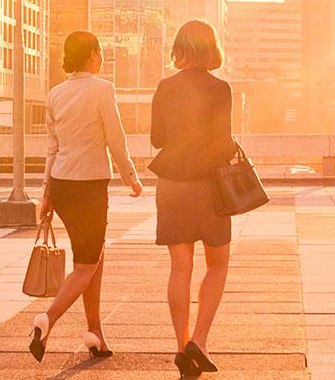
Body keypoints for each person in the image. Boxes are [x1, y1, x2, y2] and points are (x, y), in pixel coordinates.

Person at [28, 31, 144, 362]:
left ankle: (95, 333)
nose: (103, 56)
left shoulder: (56, 94)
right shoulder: (102, 89)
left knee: (92, 256)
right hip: (90, 186)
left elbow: (53, 147)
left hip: (63, 185)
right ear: (93, 54)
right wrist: (131, 177)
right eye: (101, 51)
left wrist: (47, 192)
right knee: (86, 264)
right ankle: (45, 321)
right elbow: (115, 138)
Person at [148, 20, 236, 377]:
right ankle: (199, 339)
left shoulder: (165, 87)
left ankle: (181, 344)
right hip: (210, 185)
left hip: (172, 183)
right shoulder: (221, 89)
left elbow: (157, 138)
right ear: (211, 47)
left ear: (179, 47)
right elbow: (224, 141)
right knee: (217, 263)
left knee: (179, 268)